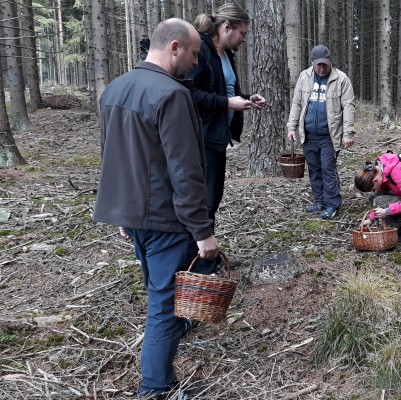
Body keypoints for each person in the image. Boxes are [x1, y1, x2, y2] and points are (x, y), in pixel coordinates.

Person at [93, 18, 220, 398]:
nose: (196, 62)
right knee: (163, 306)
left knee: (160, 296)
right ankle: (155, 388)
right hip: (166, 219)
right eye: (194, 53)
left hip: (135, 216)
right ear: (174, 47)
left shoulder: (115, 88)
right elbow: (185, 170)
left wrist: (123, 211)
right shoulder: (172, 95)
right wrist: (203, 231)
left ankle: (168, 352)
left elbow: (110, 156)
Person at [188, 3, 266, 225]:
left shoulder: (226, 55)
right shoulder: (201, 50)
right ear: (226, 26)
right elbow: (190, 93)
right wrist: (228, 103)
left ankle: (206, 246)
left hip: (218, 136)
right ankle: (201, 246)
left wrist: (247, 98)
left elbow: (225, 91)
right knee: (205, 200)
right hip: (202, 137)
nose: (244, 39)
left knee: (213, 198)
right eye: (242, 33)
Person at [287, 44, 355, 220]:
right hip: (308, 134)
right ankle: (319, 201)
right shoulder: (304, 77)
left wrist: (348, 133)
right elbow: (297, 103)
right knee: (314, 168)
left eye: (325, 64)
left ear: (330, 61)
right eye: (319, 65)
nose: (322, 68)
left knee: (327, 168)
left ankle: (332, 204)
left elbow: (348, 106)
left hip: (330, 136)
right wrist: (291, 127)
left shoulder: (341, 79)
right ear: (312, 62)